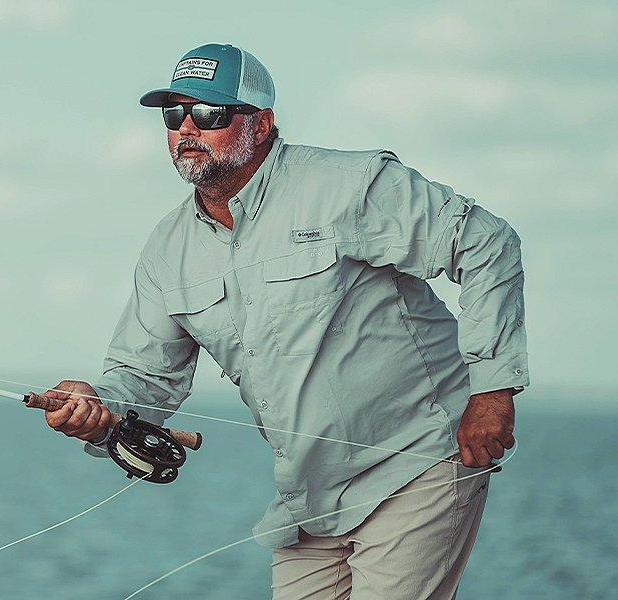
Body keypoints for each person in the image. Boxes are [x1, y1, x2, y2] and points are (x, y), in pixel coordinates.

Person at [43, 43, 528, 599]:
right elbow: (145, 380)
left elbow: (488, 243)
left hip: (418, 463)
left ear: (262, 121)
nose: (186, 130)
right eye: (173, 115)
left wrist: (493, 392)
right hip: (308, 500)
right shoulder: (165, 249)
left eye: (209, 114)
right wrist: (97, 409)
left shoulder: (350, 184)